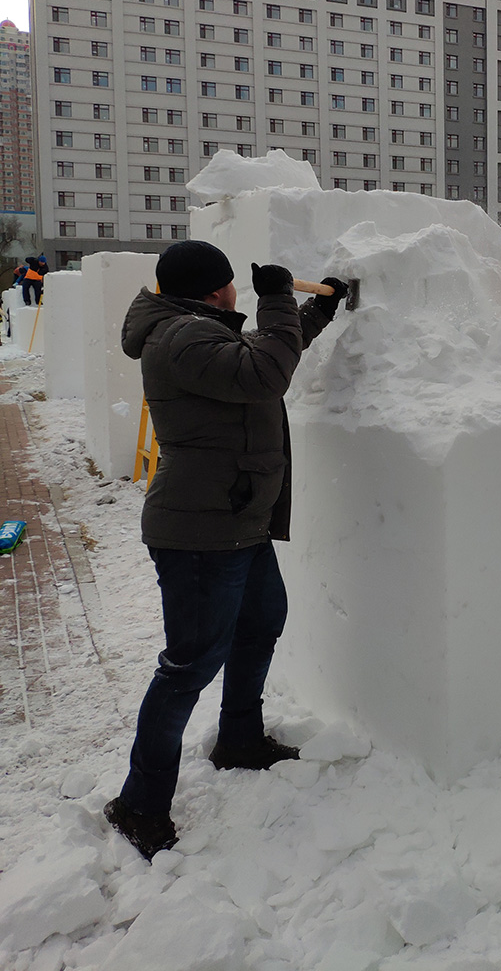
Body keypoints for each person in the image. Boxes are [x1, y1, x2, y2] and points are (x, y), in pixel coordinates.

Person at [104, 240, 348, 860]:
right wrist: (277, 298)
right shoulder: (180, 339)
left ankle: (239, 737)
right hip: (200, 532)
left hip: (235, 519)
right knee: (189, 665)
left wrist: (315, 313)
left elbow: (260, 364)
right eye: (235, 284)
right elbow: (263, 371)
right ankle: (139, 801)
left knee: (261, 621)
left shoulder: (195, 332)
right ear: (217, 289)